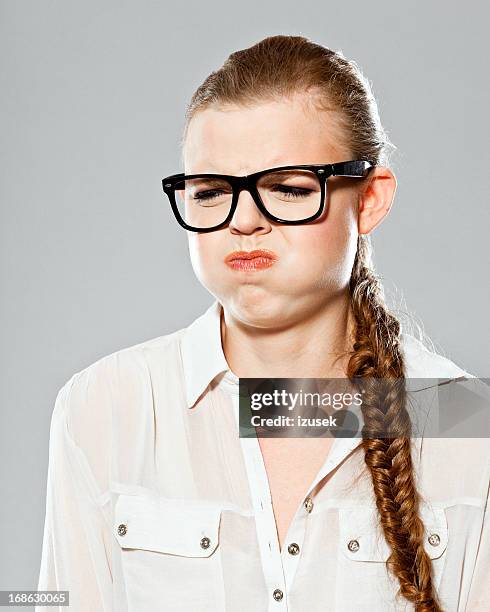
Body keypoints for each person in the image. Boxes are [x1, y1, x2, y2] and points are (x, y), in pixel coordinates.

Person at [36, 35, 489, 611]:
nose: (244, 220)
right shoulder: (103, 408)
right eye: (211, 191)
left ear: (370, 199)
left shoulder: (472, 426)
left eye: (289, 188)